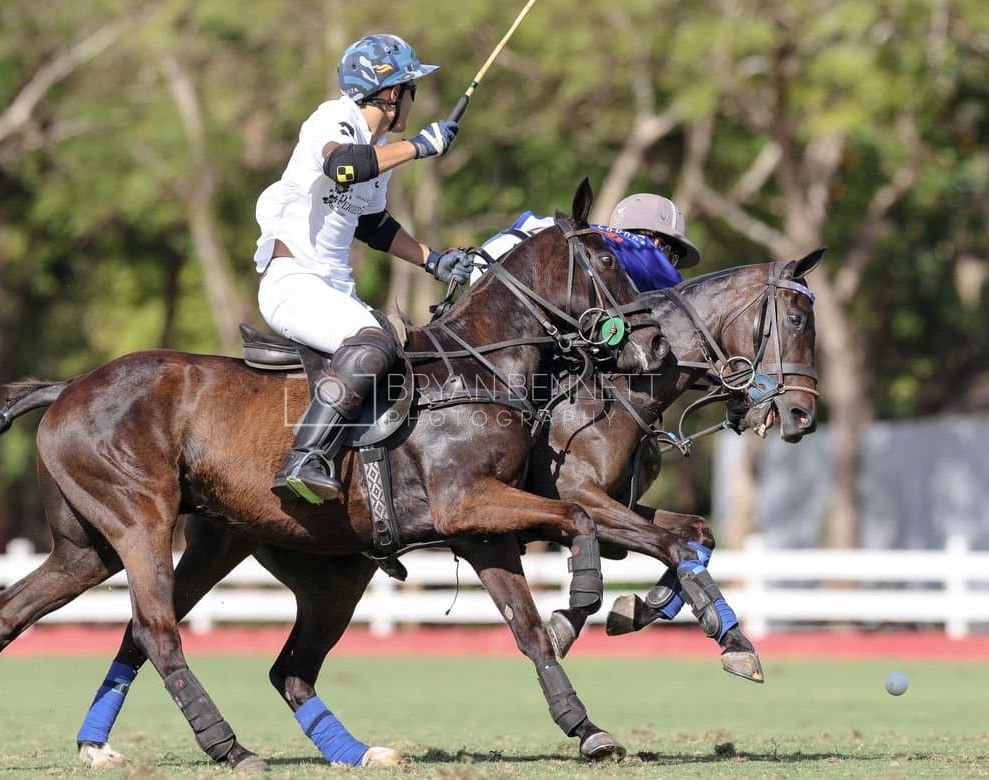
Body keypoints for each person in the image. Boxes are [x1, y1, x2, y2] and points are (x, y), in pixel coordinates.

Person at [254, 33, 475, 505]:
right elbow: (344, 167)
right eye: (412, 88)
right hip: (293, 282)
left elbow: (373, 225)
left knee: (407, 351)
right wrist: (419, 145)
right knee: (375, 342)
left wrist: (433, 260)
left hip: (334, 289)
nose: (414, 99)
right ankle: (304, 459)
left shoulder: (380, 149)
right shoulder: (333, 119)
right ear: (393, 92)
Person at [477, 192, 701, 291]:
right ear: (659, 241)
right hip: (529, 278)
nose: (670, 263)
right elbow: (685, 314)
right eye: (673, 256)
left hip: (491, 255)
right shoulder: (648, 251)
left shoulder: (596, 234)